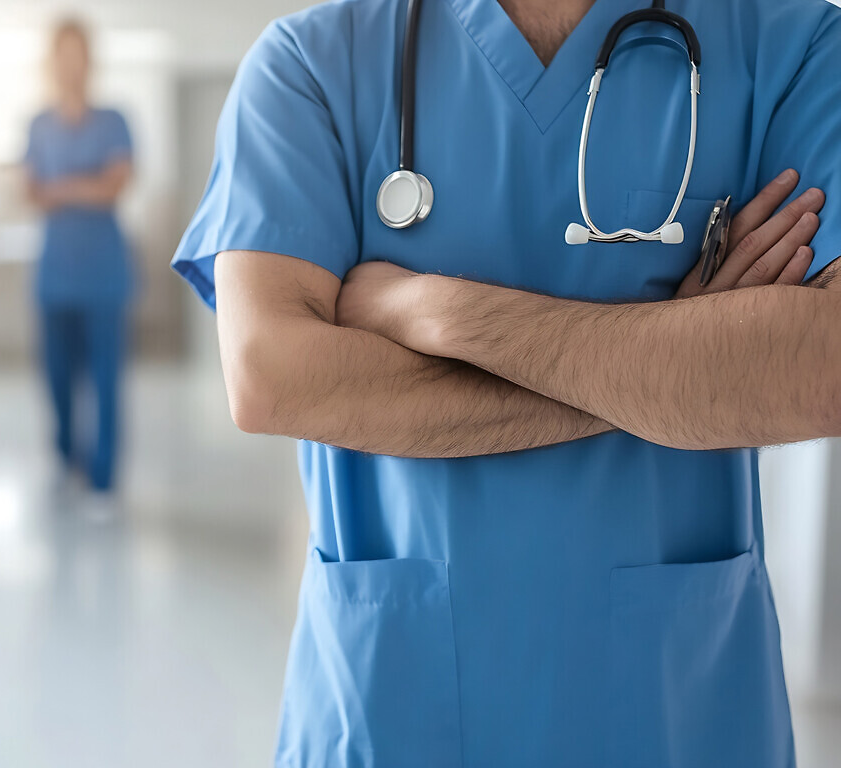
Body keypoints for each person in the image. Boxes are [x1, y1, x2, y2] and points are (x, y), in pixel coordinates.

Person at [172, 0, 841, 765]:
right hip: (395, 714)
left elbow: (826, 367)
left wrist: (442, 310)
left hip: (675, 718)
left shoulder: (791, 46)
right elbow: (271, 377)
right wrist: (674, 358)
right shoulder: (311, 65)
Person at [24, 19, 133, 493]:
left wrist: (60, 186)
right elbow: (30, 193)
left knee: (106, 381)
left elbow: (113, 188)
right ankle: (67, 458)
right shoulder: (39, 125)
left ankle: (103, 477)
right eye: (61, 54)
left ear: (90, 60)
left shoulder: (114, 120)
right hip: (55, 275)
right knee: (57, 380)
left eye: (78, 53)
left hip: (103, 274)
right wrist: (83, 185)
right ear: (52, 62)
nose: (70, 64)